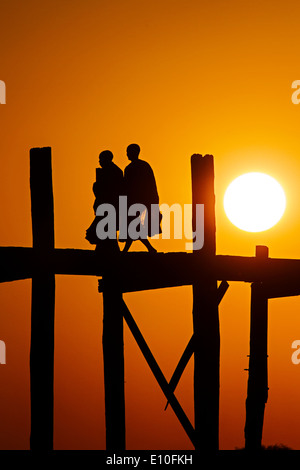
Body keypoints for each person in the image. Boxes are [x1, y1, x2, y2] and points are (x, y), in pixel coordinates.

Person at [122, 143, 161, 253]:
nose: (127, 154)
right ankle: (149, 248)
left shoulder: (132, 168)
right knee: (134, 226)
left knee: (134, 225)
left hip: (138, 201)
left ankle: (129, 250)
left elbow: (129, 186)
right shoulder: (143, 166)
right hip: (141, 201)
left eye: (128, 152)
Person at [86, 150, 123, 254]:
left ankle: (110, 254)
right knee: (106, 233)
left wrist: (96, 186)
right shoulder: (112, 171)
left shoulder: (113, 172)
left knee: (105, 232)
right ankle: (107, 252)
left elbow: (108, 191)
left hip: (110, 207)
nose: (99, 162)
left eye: (101, 159)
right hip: (108, 206)